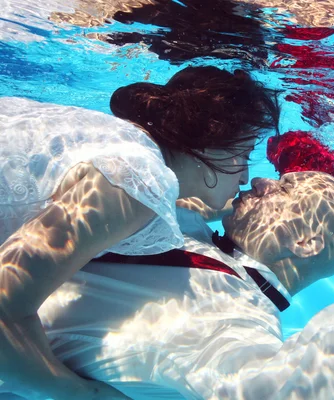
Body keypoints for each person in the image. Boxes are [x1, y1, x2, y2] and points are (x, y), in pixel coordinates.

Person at [2, 170, 334, 399]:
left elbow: (279, 391)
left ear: (303, 244)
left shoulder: (230, 317)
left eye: (282, 188)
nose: (259, 179)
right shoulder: (199, 234)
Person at [0, 66, 281, 399]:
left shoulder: (129, 147)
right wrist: (82, 393)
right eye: (243, 154)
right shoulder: (139, 182)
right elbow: (4, 305)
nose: (247, 176)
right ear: (208, 144)